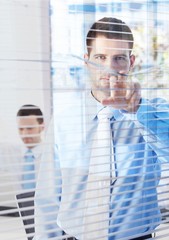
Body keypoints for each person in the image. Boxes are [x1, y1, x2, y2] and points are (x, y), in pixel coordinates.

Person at [33, 17, 169, 240]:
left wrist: (139, 111)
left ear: (131, 62)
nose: (109, 68)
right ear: (86, 61)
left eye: (119, 58)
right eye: (100, 58)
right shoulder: (64, 120)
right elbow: (48, 198)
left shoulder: (153, 113)